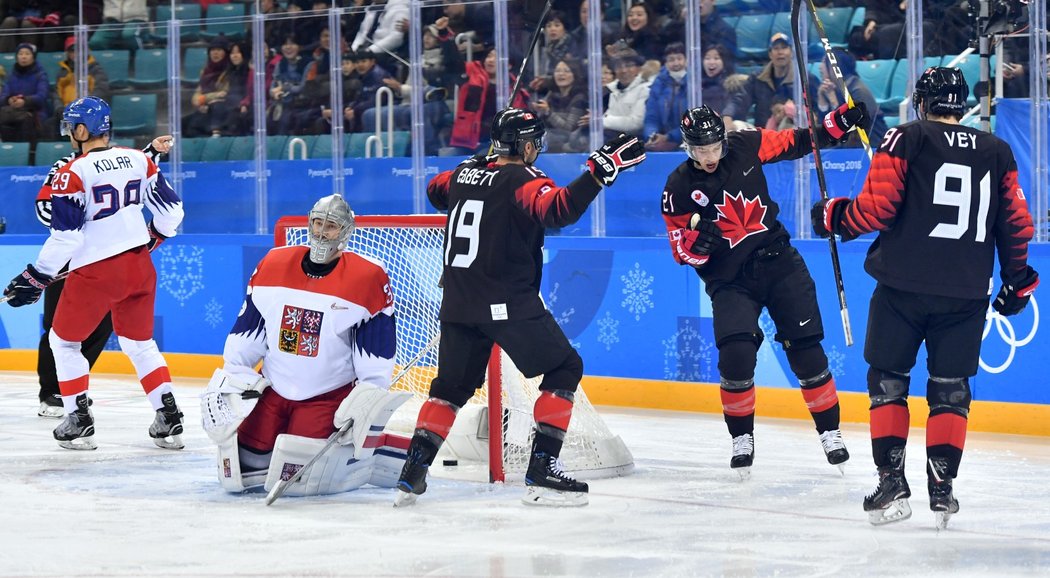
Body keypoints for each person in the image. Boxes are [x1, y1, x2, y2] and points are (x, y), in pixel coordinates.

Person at [811, 67, 1038, 528]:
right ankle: (942, 489)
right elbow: (1014, 224)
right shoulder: (998, 150)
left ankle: (892, 483)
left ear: (922, 102)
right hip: (965, 294)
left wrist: (835, 217)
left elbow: (876, 210)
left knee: (888, 383)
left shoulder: (905, 138)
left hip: (903, 288)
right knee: (951, 393)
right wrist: (1018, 279)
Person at [394, 108, 646, 507]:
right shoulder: (522, 179)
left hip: (458, 302)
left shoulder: (460, 175)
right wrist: (598, 173)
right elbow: (558, 210)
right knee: (566, 367)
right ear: (527, 145)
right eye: (535, 143)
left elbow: (435, 190)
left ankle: (413, 471)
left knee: (450, 390)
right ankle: (542, 468)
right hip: (506, 301)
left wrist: (478, 161)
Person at [659, 103, 868, 478]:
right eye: (700, 150)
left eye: (714, 147)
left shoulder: (747, 144)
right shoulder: (677, 188)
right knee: (736, 356)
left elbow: (800, 141)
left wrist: (838, 124)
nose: (709, 157)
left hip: (779, 262)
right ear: (688, 148)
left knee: (806, 349)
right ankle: (742, 438)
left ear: (723, 139)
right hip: (730, 279)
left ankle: (831, 432)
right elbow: (679, 251)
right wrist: (696, 247)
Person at [2, 96, 185, 451]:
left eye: (71, 127)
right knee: (139, 343)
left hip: (96, 273)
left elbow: (66, 237)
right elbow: (172, 210)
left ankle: (79, 420)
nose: (69, 134)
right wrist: (155, 238)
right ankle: (169, 416)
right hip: (140, 268)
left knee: (64, 342)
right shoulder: (138, 159)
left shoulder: (73, 172)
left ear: (82, 130)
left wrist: (37, 275)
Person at [200, 194, 411, 496]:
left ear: (346, 231)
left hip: (325, 396)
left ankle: (379, 455)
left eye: (332, 226)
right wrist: (234, 374)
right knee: (243, 468)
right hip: (275, 388)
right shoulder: (274, 263)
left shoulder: (367, 277)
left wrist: (367, 400)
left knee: (302, 478)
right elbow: (251, 327)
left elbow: (375, 349)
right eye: (318, 222)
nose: (322, 232)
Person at [34, 133, 174, 418]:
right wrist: (80, 225)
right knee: (58, 330)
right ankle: (53, 392)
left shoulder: (121, 161)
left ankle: (76, 396)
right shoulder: (65, 166)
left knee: (98, 328)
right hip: (72, 258)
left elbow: (123, 179)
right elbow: (45, 207)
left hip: (103, 260)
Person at [722, 33, 819, 130]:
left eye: (784, 47)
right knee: (736, 125)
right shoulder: (758, 78)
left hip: (794, 133)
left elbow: (816, 110)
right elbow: (740, 100)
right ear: (770, 54)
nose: (780, 52)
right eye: (776, 48)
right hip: (762, 134)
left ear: (791, 52)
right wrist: (727, 117)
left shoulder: (806, 79)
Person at [0, 42, 50, 145]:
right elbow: (3, 96)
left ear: (33, 57)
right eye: (21, 54)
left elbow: (41, 97)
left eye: (27, 54)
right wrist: (9, 100)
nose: (23, 57)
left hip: (34, 112)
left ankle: (28, 152)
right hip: (12, 111)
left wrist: (25, 101)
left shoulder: (40, 75)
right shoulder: (11, 75)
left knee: (26, 120)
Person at [644, 43, 690, 152]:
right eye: (671, 60)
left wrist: (670, 137)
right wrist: (652, 136)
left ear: (687, 60)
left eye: (679, 58)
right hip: (664, 139)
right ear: (666, 62)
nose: (676, 63)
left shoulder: (695, 82)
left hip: (689, 139)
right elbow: (651, 116)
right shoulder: (658, 83)